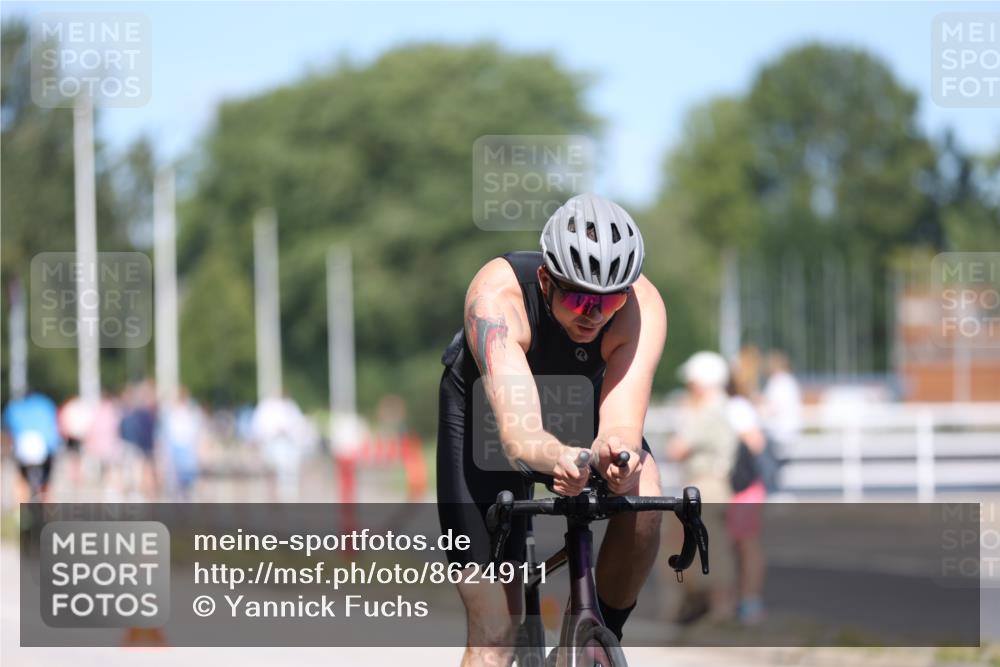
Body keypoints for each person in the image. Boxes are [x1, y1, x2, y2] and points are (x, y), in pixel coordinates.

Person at [437, 193, 665, 666]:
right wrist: (556, 458)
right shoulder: (496, 298)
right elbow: (522, 437)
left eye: (609, 300)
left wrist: (617, 458)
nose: (594, 314)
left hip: (578, 406)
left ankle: (599, 635)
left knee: (646, 488)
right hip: (485, 411)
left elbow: (620, 425)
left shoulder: (642, 305)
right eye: (579, 297)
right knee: (496, 634)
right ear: (546, 279)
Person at [665, 351, 738, 623]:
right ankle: (714, 606)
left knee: (709, 544)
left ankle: (718, 608)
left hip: (704, 483)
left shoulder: (706, 410)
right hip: (713, 483)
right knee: (711, 542)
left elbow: (677, 448)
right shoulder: (720, 406)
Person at [725, 355, 768, 625]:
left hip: (742, 486)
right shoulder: (740, 405)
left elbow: (755, 443)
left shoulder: (736, 407)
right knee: (742, 545)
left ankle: (748, 601)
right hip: (745, 485)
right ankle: (745, 600)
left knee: (745, 545)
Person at [2, 391, 62, 503]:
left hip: (22, 448)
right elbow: (53, 430)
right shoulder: (46, 404)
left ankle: (20, 511)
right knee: (46, 482)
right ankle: (46, 508)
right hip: (43, 448)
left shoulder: (14, 407)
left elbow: (7, 428)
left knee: (22, 480)